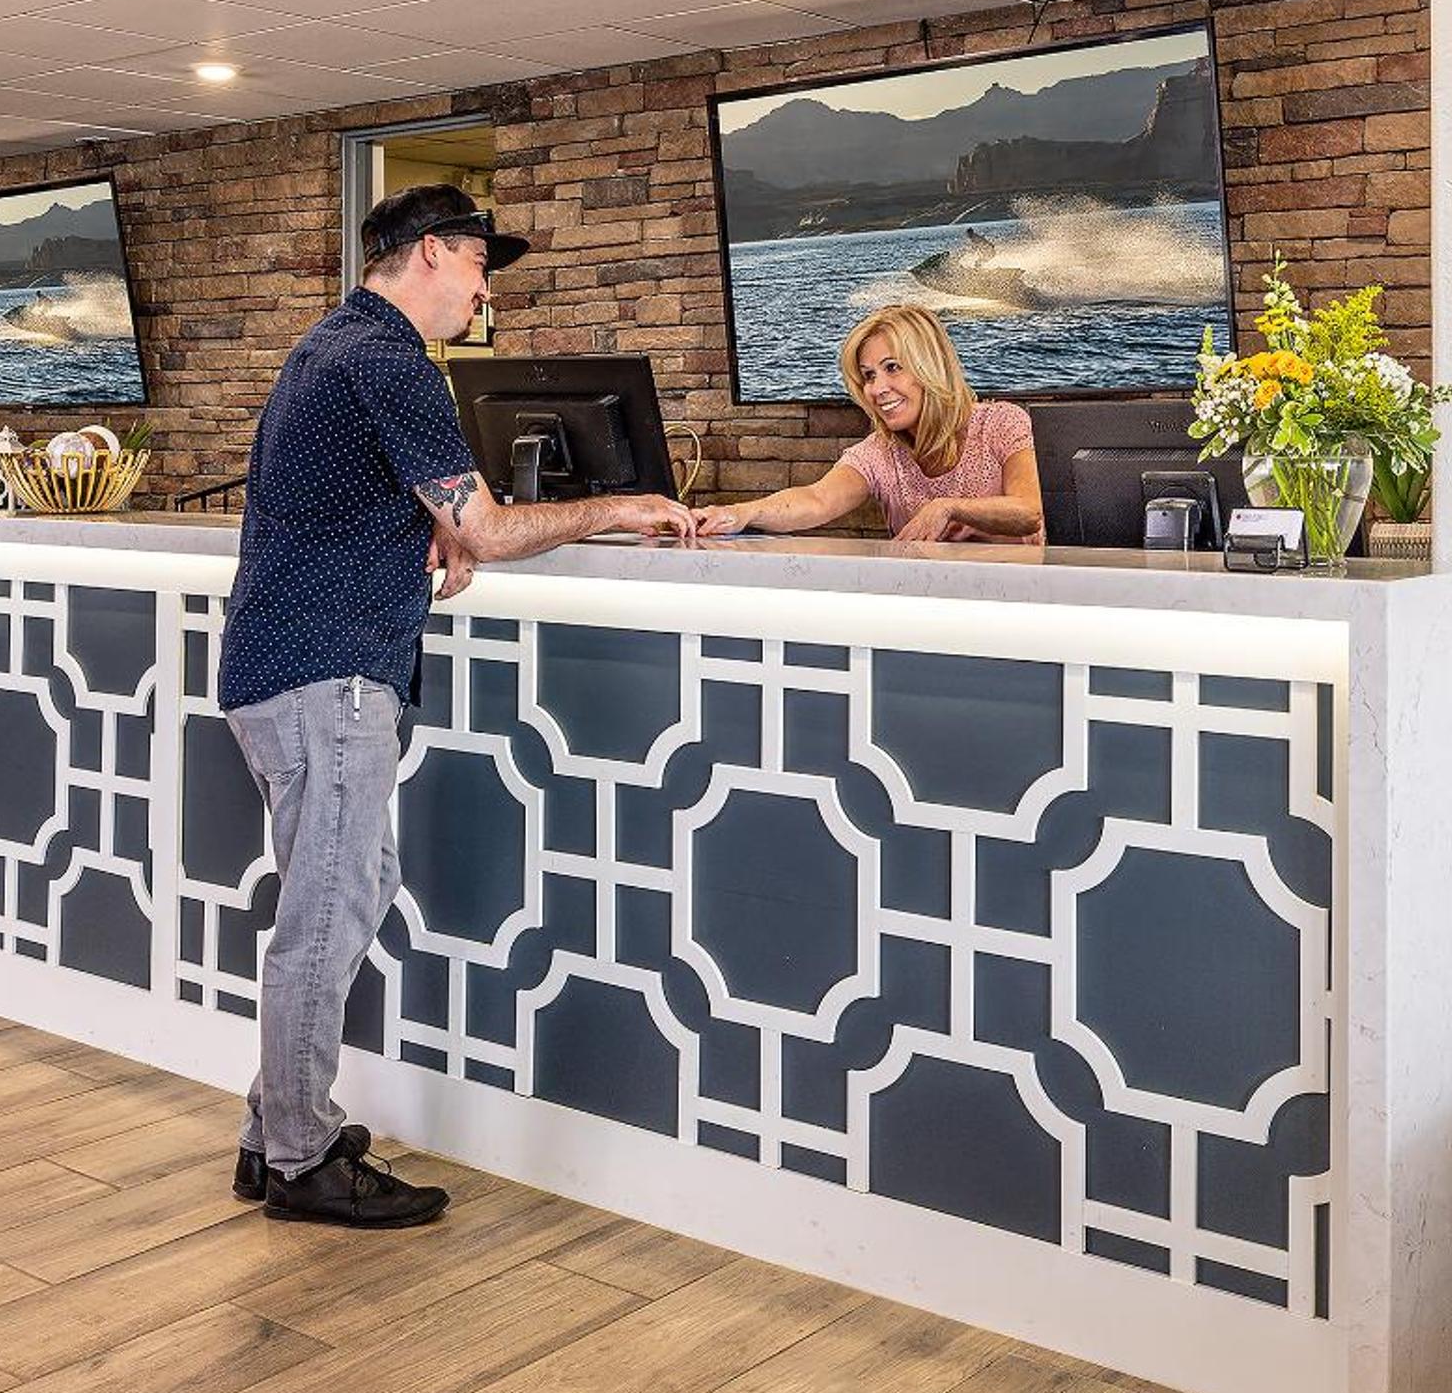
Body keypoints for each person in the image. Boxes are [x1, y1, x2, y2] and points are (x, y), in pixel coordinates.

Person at [217, 184, 694, 1229]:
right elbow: (485, 528)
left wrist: (421, 525)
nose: (486, 293)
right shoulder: (391, 361)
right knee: (325, 913)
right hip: (329, 674)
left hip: (290, 667)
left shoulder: (329, 348)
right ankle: (300, 1158)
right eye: (480, 267)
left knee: (351, 889)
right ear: (431, 251)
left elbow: (356, 499)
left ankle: (274, 1128)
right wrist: (620, 505)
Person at [691, 303, 1041, 545]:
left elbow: (1029, 511)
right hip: (926, 606)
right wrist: (741, 513)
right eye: (869, 375)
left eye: (892, 368)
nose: (876, 389)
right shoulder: (878, 453)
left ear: (930, 366)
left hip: (1017, 605)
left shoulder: (1001, 422)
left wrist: (947, 508)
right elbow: (817, 499)